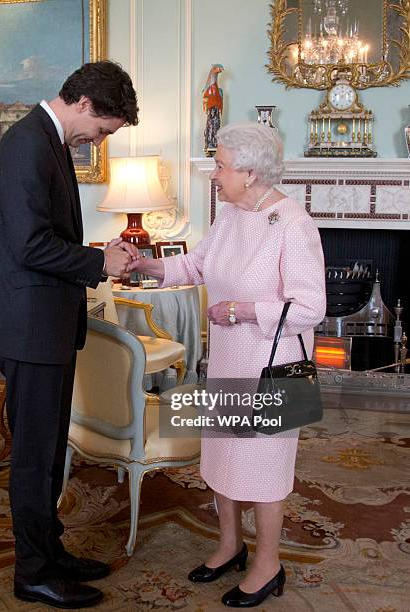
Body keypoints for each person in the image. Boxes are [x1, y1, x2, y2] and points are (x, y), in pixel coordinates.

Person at [128, 123, 326, 608]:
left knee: (263, 466)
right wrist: (146, 265)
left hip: (272, 368)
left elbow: (311, 307)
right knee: (223, 459)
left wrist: (239, 310)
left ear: (250, 172)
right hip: (229, 359)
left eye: (220, 165)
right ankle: (230, 545)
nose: (214, 174)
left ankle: (268, 564)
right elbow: (197, 265)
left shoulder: (293, 224)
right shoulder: (233, 213)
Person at [0, 61, 139, 609]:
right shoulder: (27, 144)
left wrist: (96, 259)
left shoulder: (48, 139)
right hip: (27, 325)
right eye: (105, 129)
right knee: (34, 455)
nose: (100, 139)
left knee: (46, 448)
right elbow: (30, 246)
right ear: (86, 104)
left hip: (43, 321)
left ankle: (50, 550)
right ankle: (34, 573)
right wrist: (100, 262)